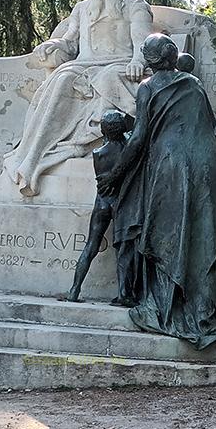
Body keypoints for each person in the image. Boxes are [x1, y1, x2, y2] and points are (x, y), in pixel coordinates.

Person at [97, 34, 216, 349]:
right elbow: (205, 125)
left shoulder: (148, 87)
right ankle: (203, 312)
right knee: (204, 237)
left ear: (149, 59)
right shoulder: (194, 84)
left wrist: (115, 175)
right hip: (206, 164)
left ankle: (166, 308)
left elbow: (140, 138)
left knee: (166, 234)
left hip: (171, 165)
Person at [2, 0, 153, 196]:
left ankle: (64, 149)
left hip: (119, 66)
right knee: (61, 79)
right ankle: (32, 157)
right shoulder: (82, 8)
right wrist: (53, 43)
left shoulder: (134, 5)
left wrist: (138, 61)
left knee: (103, 79)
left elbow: (143, 43)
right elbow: (70, 42)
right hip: (83, 66)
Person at [65, 111, 138, 305]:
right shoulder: (128, 148)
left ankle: (74, 290)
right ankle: (124, 293)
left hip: (102, 202)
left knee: (91, 246)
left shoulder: (98, 153)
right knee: (124, 248)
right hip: (122, 202)